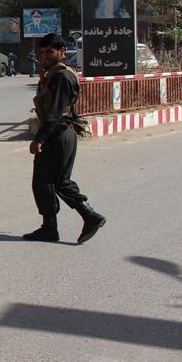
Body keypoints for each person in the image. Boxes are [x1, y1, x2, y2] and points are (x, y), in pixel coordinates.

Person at [23, 33, 106, 243]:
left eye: (50, 51)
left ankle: (81, 218)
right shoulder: (56, 74)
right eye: (42, 52)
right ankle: (80, 217)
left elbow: (55, 112)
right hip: (62, 133)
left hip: (56, 134)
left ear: (62, 52)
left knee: (44, 182)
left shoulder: (61, 77)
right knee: (58, 181)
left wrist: (39, 139)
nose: (45, 56)